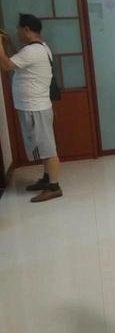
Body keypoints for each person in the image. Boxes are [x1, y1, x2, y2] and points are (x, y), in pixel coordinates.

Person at [0, 13, 62, 202]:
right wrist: (7, 43)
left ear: (26, 29)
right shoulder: (39, 48)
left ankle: (54, 187)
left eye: (18, 29)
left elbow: (7, 66)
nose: (17, 32)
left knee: (48, 148)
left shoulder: (32, 51)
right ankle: (47, 179)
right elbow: (17, 61)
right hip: (35, 107)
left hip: (36, 108)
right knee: (43, 146)